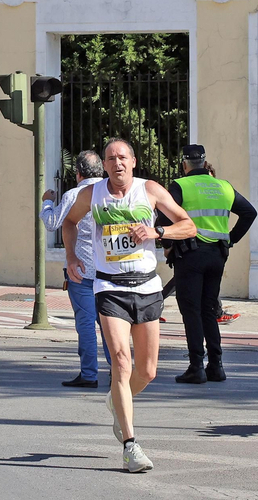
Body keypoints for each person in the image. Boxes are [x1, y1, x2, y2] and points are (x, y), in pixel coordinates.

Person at [61, 138, 196, 473]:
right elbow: (69, 222)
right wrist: (71, 257)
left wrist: (157, 231)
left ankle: (116, 400)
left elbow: (188, 225)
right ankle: (130, 445)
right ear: (104, 166)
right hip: (109, 287)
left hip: (147, 287)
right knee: (121, 363)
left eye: (122, 157)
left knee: (147, 371)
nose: (117, 163)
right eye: (111, 158)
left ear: (133, 162)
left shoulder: (149, 190)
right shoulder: (91, 195)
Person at [163, 145, 258, 384]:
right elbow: (249, 213)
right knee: (208, 309)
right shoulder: (223, 186)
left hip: (190, 256)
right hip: (217, 256)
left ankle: (196, 366)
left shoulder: (180, 186)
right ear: (205, 164)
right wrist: (231, 239)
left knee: (191, 310)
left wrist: (167, 244)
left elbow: (164, 218)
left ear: (184, 165)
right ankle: (216, 366)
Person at [40, 150, 106, 389]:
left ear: (78, 173)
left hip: (81, 269)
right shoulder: (110, 193)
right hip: (108, 270)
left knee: (86, 324)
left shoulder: (74, 194)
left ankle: (89, 374)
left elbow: (52, 223)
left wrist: (47, 201)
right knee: (110, 325)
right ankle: (119, 372)